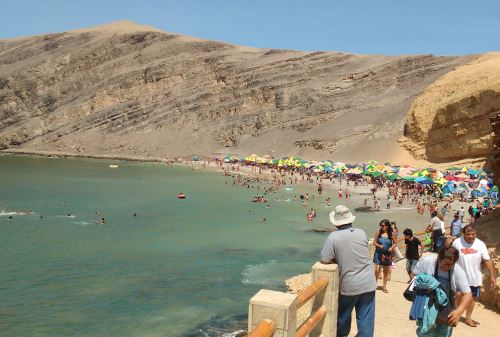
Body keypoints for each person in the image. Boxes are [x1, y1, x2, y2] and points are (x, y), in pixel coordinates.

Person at [320, 205, 376, 337]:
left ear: (336, 223)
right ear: (351, 220)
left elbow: (324, 258)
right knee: (366, 322)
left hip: (349, 284)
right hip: (368, 281)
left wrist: (336, 260)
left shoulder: (333, 237)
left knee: (343, 320)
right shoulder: (361, 232)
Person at [412, 246, 472, 337]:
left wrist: (459, 311)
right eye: (445, 263)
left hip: (446, 307)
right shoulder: (427, 262)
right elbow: (414, 275)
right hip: (427, 304)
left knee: (443, 334)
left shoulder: (457, 271)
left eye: (451, 264)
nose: (448, 267)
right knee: (424, 332)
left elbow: (468, 294)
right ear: (439, 258)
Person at [452, 225, 496, 327]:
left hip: (474, 277)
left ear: (476, 234)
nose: (471, 236)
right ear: (464, 234)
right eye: (468, 234)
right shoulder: (457, 242)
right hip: (459, 276)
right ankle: (457, 315)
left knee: (471, 299)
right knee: (458, 295)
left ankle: (468, 318)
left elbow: (487, 260)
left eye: (473, 234)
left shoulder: (480, 244)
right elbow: (451, 256)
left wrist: (492, 276)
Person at [373, 219, 397, 293]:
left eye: (383, 225)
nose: (381, 226)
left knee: (386, 271)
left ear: (387, 226)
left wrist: (391, 247)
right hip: (378, 253)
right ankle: (374, 285)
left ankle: (384, 287)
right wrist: (379, 246)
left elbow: (395, 243)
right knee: (377, 270)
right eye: (380, 225)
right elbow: (374, 242)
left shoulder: (391, 234)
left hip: (387, 254)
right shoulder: (378, 232)